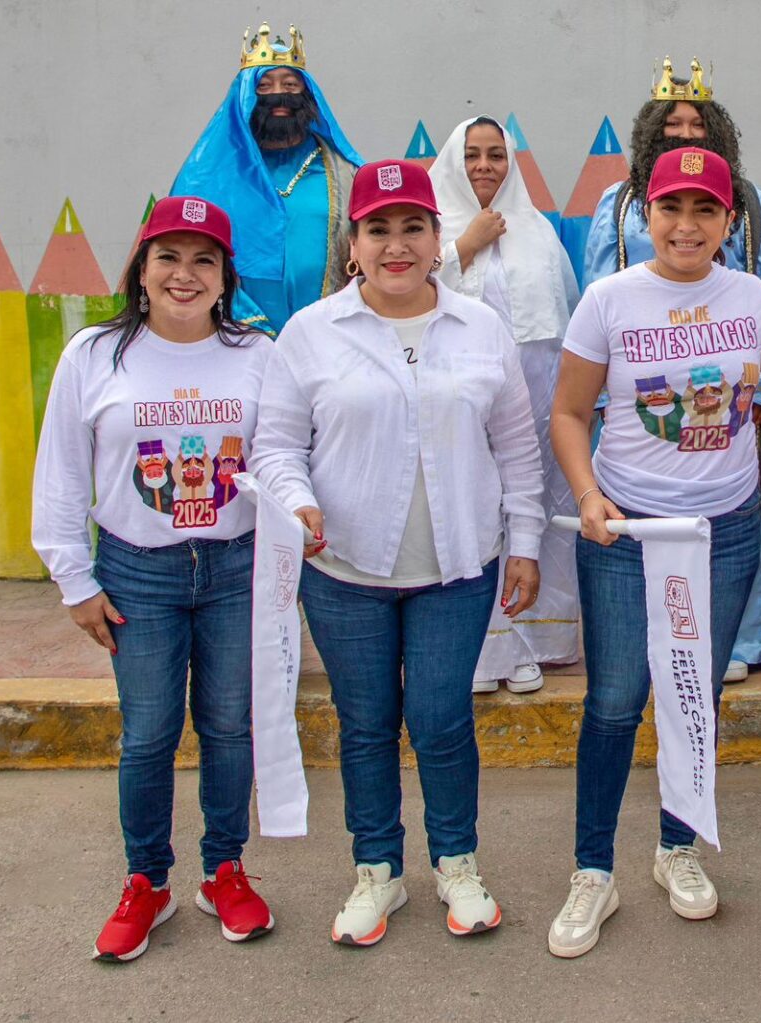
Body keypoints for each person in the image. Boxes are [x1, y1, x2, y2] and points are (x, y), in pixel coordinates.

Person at [547, 148, 761, 958]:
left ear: (728, 221)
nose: (686, 225)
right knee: (613, 702)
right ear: (645, 214)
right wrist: (588, 495)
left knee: (694, 699)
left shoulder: (748, 296)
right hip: (627, 534)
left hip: (724, 532)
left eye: (705, 210)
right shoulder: (608, 299)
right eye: (671, 208)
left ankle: (677, 849)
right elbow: (569, 414)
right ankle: (592, 871)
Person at [251, 159, 546, 946]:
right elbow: (276, 447)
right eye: (378, 229)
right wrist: (298, 502)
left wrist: (525, 541)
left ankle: (456, 862)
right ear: (354, 243)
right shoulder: (310, 334)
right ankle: (377, 871)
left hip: (457, 568)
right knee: (366, 721)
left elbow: (517, 447)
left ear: (435, 236)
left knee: (443, 716)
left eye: (412, 227)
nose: (396, 245)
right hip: (343, 570)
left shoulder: (480, 328)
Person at [31, 197, 273, 962]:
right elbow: (62, 474)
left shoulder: (257, 355)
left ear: (225, 277)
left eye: (204, 260)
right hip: (138, 572)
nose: (184, 274)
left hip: (235, 567)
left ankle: (224, 868)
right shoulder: (95, 356)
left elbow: (281, 460)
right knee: (149, 734)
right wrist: (74, 579)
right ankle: (148, 880)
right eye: (168, 256)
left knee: (230, 726)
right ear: (140, 267)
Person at [584, 57, 761, 684]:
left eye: (697, 124)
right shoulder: (618, 201)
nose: (685, 134)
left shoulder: (752, 201)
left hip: (735, 392)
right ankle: (646, 640)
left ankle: (742, 641)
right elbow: (598, 285)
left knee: (745, 514)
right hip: (648, 391)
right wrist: (605, 386)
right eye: (672, 123)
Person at [430, 116, 582, 695]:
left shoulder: (537, 230)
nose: (485, 166)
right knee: (474, 506)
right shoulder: (431, 224)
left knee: (538, 505)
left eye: (496, 155)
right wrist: (464, 245)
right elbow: (406, 288)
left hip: (538, 393)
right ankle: (484, 650)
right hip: (463, 393)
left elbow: (566, 312)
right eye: (472, 155)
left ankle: (538, 638)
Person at [172, 23, 362, 336]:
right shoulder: (206, 175)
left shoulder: (345, 173)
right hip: (233, 338)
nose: (279, 96)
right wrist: (251, 329)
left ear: (308, 93)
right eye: (264, 87)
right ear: (245, 97)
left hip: (330, 338)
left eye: (290, 85)